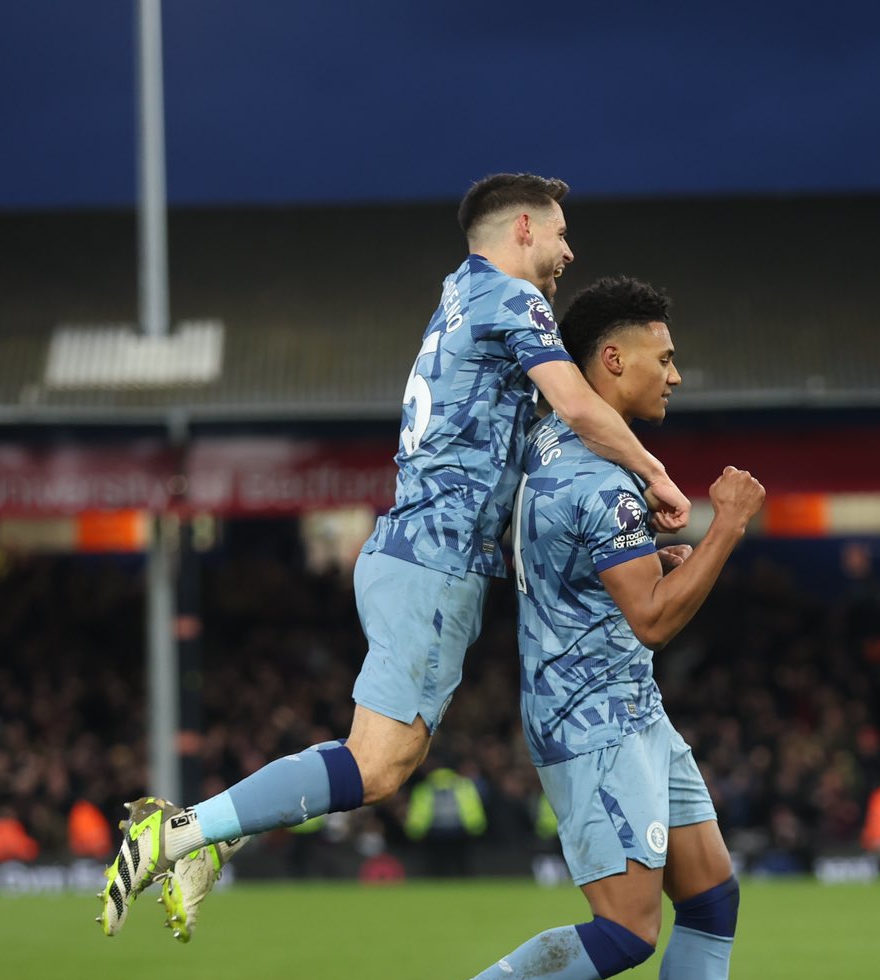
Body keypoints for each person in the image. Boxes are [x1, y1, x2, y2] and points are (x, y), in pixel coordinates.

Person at [96, 174, 693, 939]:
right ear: (520, 229)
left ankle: (209, 836)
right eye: (559, 232)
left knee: (374, 757)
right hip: (433, 565)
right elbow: (577, 404)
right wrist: (655, 473)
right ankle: (179, 833)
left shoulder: (457, 296)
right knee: (378, 767)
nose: (568, 249)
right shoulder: (514, 301)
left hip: (411, 551)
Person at [375, 277, 789, 980]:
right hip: (591, 723)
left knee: (711, 893)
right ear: (612, 360)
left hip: (632, 706)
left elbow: (604, 584)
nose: (676, 374)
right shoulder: (601, 482)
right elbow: (654, 618)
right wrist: (726, 527)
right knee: (628, 930)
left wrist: (659, 552)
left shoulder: (558, 448)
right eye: (663, 357)